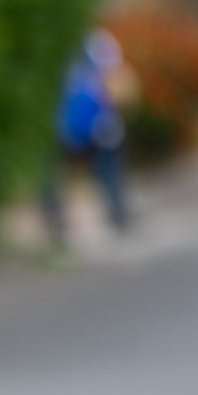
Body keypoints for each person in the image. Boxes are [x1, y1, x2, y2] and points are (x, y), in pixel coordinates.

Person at [41, 26, 135, 246]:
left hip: (94, 129)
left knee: (105, 169)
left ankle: (115, 212)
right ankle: (57, 218)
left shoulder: (97, 44)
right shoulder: (88, 49)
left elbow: (115, 87)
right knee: (57, 174)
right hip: (78, 128)